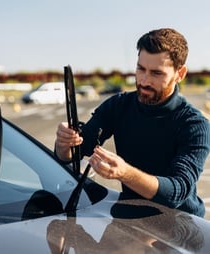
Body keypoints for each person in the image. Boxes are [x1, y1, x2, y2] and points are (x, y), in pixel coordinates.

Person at [55, 28, 210, 217]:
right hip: (131, 218)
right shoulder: (118, 106)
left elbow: (176, 191)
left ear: (180, 73)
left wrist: (125, 173)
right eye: (140, 69)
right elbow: (76, 151)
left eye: (156, 73)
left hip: (181, 225)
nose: (144, 80)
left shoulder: (194, 125)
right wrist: (64, 144)